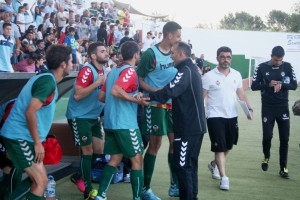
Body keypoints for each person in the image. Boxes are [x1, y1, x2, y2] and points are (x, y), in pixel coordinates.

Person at [0, 45, 72, 200]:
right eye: (71, 61)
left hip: (22, 136)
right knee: (40, 181)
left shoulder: (46, 78)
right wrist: (38, 143)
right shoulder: (48, 82)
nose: (73, 65)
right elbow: (30, 111)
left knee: (40, 180)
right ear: (63, 64)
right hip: (19, 136)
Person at [148, 41, 206, 200]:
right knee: (190, 166)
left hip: (188, 128)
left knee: (182, 166)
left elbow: (170, 91)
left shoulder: (185, 70)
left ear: (181, 54)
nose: (170, 56)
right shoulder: (190, 69)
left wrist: (148, 96)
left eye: (172, 53)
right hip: (194, 127)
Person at [95, 41, 149, 200]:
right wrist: (135, 100)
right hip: (125, 124)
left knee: (115, 159)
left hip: (111, 123)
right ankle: (137, 198)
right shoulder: (130, 71)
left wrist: (126, 99)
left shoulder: (113, 72)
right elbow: (116, 90)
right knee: (137, 160)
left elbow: (102, 96)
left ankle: (101, 195)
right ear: (135, 55)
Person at [136, 21, 182, 199]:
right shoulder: (151, 54)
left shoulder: (176, 53)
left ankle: (174, 185)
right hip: (155, 106)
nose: (179, 39)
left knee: (175, 143)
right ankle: (145, 189)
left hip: (173, 105)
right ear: (169, 35)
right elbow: (139, 79)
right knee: (155, 145)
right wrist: (154, 91)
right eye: (178, 35)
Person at [202, 46, 253, 191]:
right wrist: (200, 113)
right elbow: (202, 97)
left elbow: (241, 94)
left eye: (228, 57)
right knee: (220, 147)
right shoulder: (209, 76)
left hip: (232, 116)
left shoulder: (236, 74)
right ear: (217, 58)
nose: (226, 60)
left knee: (228, 146)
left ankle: (214, 165)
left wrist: (249, 109)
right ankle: (224, 177)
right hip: (214, 116)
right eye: (223, 57)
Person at [66, 42, 109, 199]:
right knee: (88, 151)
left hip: (93, 117)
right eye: (102, 51)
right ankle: (88, 189)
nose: (106, 53)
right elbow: (77, 95)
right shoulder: (87, 70)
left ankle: (78, 175)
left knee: (99, 149)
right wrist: (97, 83)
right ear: (93, 56)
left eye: (106, 50)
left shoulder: (103, 70)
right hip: (79, 116)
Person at [251, 46, 297, 178]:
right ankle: (266, 156)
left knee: (285, 138)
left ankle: (283, 167)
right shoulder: (261, 67)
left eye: (280, 60)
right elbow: (254, 86)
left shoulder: (288, 66)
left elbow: (293, 85)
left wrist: (281, 84)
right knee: (267, 137)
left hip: (282, 106)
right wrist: (268, 85)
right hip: (268, 107)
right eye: (276, 59)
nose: (278, 62)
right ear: (271, 56)